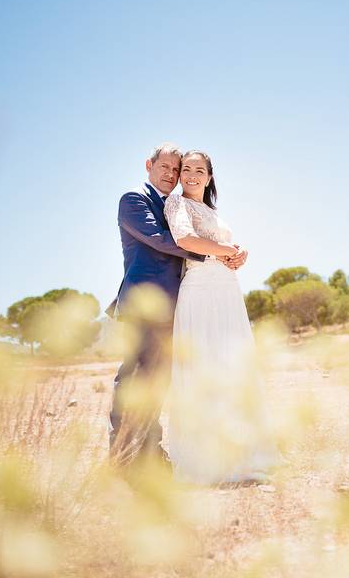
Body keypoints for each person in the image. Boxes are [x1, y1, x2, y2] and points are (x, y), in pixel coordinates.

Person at [108, 143, 246, 467]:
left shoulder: (175, 202)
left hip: (179, 306)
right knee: (134, 380)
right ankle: (122, 460)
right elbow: (161, 239)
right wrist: (216, 252)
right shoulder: (134, 200)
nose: (171, 174)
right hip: (146, 303)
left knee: (159, 384)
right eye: (165, 167)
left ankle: (151, 454)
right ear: (148, 165)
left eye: (175, 169)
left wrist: (231, 253)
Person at [163, 150, 280, 484]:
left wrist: (238, 255)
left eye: (200, 170)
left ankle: (242, 453)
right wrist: (228, 252)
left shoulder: (212, 211)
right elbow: (184, 238)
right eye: (186, 169)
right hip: (200, 292)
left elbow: (218, 244)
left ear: (210, 176)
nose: (192, 175)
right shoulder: (177, 205)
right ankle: (206, 462)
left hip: (226, 291)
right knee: (205, 367)